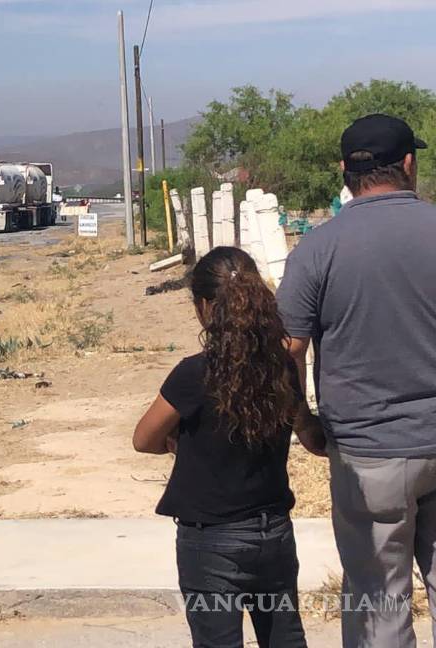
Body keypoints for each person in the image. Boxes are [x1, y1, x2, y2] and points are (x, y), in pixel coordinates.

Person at [278, 114, 436, 647]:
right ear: (409, 164)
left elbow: (287, 352)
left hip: (368, 457)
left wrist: (305, 425)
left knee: (377, 599)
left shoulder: (317, 250)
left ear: (346, 171)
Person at [134, 247, 325, 648]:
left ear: (204, 307)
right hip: (272, 531)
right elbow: (306, 431)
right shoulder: (282, 367)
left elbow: (143, 439)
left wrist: (176, 444)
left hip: (211, 541)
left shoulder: (193, 373)